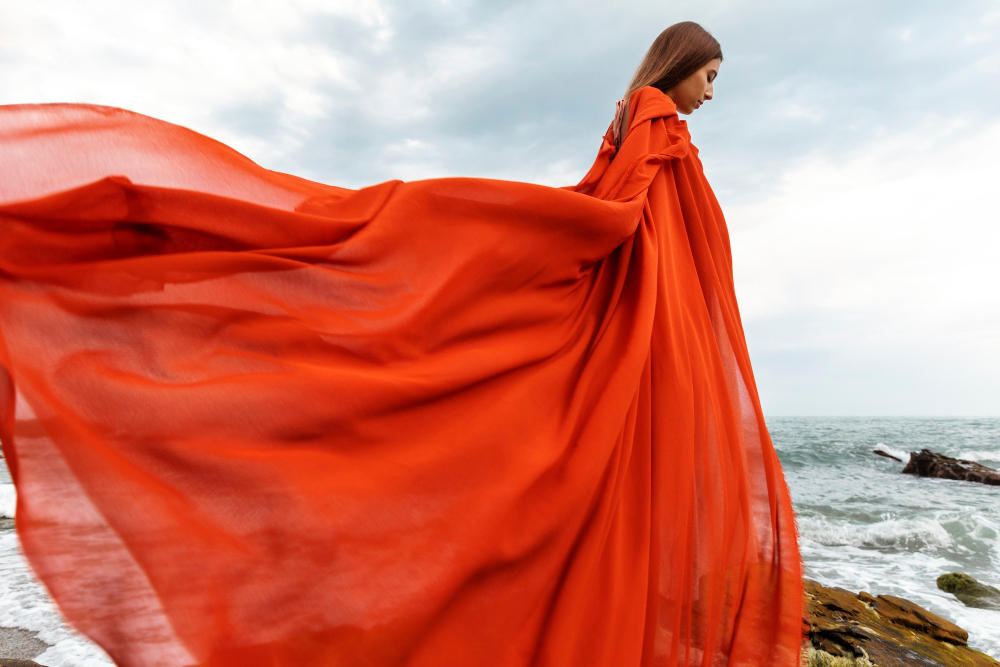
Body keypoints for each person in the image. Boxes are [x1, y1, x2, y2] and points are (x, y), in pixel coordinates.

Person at [0, 20, 802, 667]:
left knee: (552, 453)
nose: (711, 91)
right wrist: (552, 240)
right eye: (711, 75)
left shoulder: (634, 116)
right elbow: (619, 205)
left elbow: (612, 191)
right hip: (630, 307)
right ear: (681, 64)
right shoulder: (655, 115)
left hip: (639, 304)